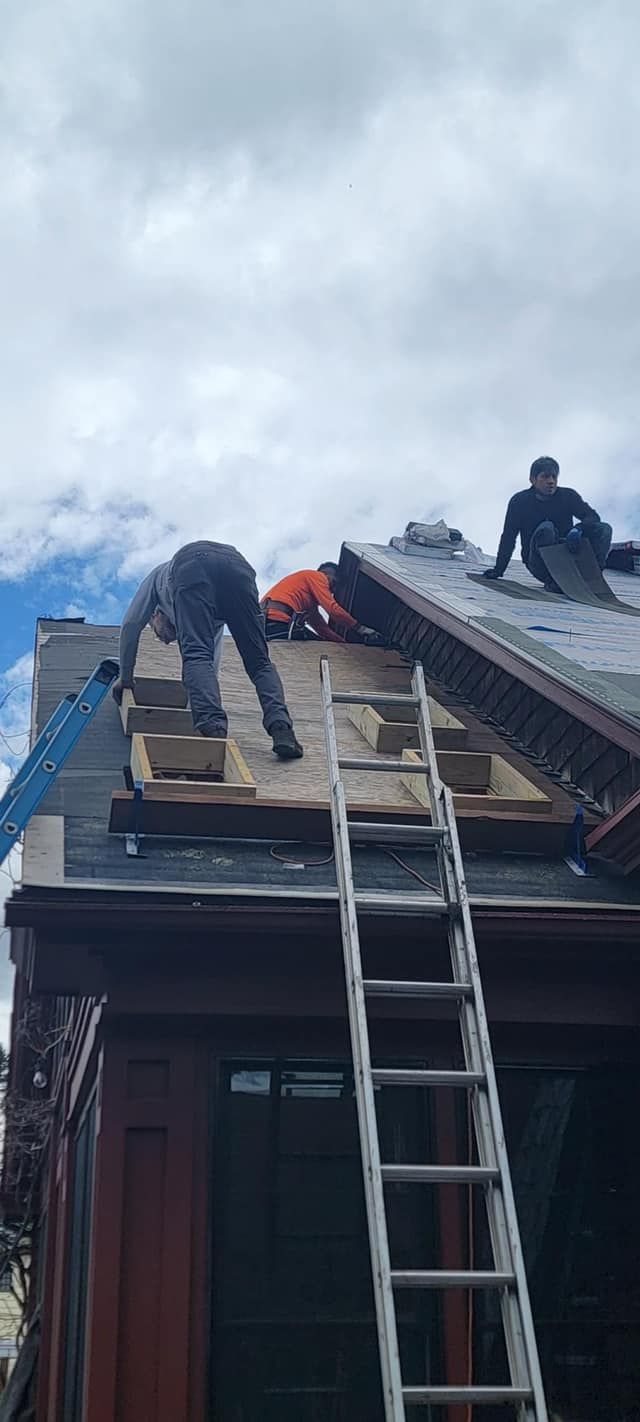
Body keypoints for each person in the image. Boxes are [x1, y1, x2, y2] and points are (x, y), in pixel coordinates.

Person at [112, 540, 303, 759]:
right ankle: (282, 729)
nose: (165, 640)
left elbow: (130, 624)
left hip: (190, 563)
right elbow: (210, 671)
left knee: (196, 655)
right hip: (237, 567)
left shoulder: (157, 579)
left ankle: (214, 735)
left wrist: (125, 676)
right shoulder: (208, 624)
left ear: (156, 614)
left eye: (157, 632)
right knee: (259, 661)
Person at [482, 456, 612, 590]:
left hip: (569, 558)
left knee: (604, 529)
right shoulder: (520, 501)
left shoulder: (568, 496)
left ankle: (591, 577)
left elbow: (592, 516)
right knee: (547, 528)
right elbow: (509, 537)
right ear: (532, 479)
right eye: (545, 477)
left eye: (554, 477)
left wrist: (578, 529)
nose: (551, 481)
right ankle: (553, 581)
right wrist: (499, 570)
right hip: (540, 563)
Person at [261, 562, 370, 643]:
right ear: (327, 573)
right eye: (335, 583)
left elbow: (322, 629)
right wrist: (360, 628)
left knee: (321, 643)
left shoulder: (308, 603)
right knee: (320, 649)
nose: (333, 590)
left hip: (267, 623)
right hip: (276, 620)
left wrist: (344, 644)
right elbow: (333, 609)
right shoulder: (317, 576)